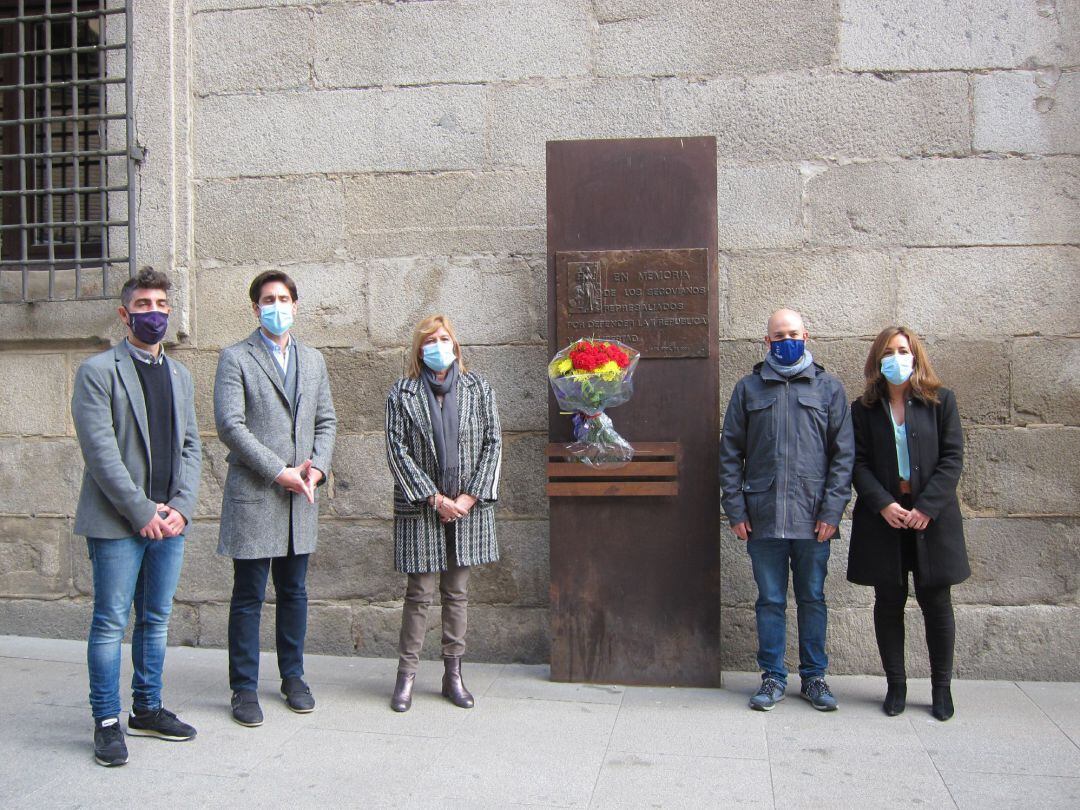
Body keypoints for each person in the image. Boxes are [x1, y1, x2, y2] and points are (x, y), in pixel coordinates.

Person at [72, 267, 201, 766]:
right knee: (109, 623)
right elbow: (100, 452)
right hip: (118, 523)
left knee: (155, 619)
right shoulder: (98, 372)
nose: (155, 314)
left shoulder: (180, 374)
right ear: (125, 314)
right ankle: (106, 721)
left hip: (170, 523)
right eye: (144, 306)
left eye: (162, 305)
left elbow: (192, 446)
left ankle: (146, 709)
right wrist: (142, 510)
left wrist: (182, 509)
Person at [213, 270, 337, 727]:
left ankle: (293, 676)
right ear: (255, 308)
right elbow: (231, 426)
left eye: (284, 299)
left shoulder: (314, 359)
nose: (277, 306)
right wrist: (278, 471)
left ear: (296, 306)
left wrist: (317, 467)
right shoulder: (235, 358)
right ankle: (244, 688)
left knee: (295, 592)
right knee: (248, 595)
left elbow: (326, 420)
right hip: (256, 494)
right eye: (269, 299)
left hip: (300, 497)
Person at [719, 308, 854, 712]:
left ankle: (814, 677)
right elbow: (729, 454)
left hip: (813, 519)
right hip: (762, 517)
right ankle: (773, 676)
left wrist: (832, 512)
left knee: (812, 597)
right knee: (770, 600)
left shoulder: (829, 389)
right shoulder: (749, 389)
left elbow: (843, 456)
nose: (785, 340)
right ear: (767, 342)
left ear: (806, 335)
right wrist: (735, 510)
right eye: (778, 336)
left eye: (792, 333)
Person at [847, 327, 968, 721]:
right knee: (888, 602)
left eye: (903, 350)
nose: (896, 358)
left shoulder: (940, 402)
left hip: (932, 517)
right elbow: (857, 462)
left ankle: (941, 689)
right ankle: (895, 685)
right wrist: (882, 503)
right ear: (877, 360)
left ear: (915, 356)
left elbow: (952, 458)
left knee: (936, 602)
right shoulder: (862, 408)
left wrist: (928, 507)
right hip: (886, 517)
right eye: (888, 352)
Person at [384, 315, 502, 712]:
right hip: (424, 508)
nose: (438, 345)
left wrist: (470, 497)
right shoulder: (402, 393)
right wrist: (434, 498)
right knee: (419, 594)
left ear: (455, 344)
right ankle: (406, 677)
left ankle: (453, 675)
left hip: (467, 509)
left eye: (444, 338)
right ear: (420, 349)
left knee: (457, 594)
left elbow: (493, 443)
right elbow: (396, 450)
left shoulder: (479, 388)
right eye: (430, 340)